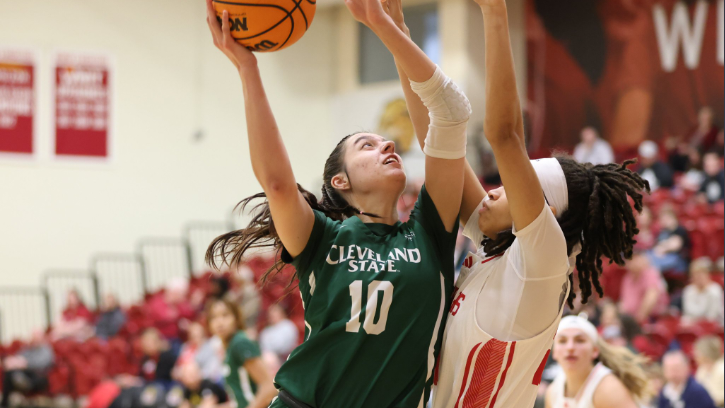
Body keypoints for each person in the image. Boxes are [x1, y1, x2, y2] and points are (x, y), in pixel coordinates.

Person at [203, 0, 470, 405]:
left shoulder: (429, 231)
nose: (388, 144)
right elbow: (276, 183)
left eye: (386, 142)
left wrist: (394, 29)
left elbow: (445, 122)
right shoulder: (321, 237)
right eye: (368, 145)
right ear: (339, 180)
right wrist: (248, 68)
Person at [390, 0, 649, 406]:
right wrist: (398, 34)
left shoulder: (542, 266)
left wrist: (495, 13)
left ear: (544, 211)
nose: (493, 189)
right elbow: (439, 142)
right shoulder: (499, 249)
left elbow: (504, 134)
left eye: (513, 185)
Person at [546, 315, 651, 408]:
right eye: (562, 341)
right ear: (554, 352)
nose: (570, 347)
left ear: (595, 350)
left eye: (579, 340)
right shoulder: (553, 391)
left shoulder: (608, 389)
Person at [205, 298, 275, 408]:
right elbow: (242, 400)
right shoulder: (229, 347)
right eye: (214, 317)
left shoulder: (239, 343)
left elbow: (269, 387)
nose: (219, 322)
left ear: (236, 318)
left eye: (225, 315)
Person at [1, 330, 54, 408]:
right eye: (33, 337)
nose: (34, 340)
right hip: (25, 373)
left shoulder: (46, 350)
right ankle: (6, 401)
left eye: (37, 338)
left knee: (38, 378)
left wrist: (25, 363)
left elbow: (41, 364)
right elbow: (19, 357)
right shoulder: (28, 349)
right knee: (10, 373)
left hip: (38, 375)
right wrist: (12, 362)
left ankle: (24, 383)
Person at [619, 252, 668, 323]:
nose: (632, 262)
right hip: (630, 319)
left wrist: (638, 319)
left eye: (635, 258)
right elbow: (623, 303)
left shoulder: (651, 273)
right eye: (629, 259)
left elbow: (651, 298)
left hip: (653, 319)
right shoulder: (627, 278)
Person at [682, 258, 724, 325]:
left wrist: (698, 319)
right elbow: (688, 312)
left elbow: (712, 315)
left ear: (707, 275)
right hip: (693, 324)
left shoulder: (715, 290)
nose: (699, 277)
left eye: (701, 274)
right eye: (696, 275)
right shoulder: (688, 290)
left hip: (713, 324)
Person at [648, 206, 690, 274]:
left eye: (664, 218)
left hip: (677, 260)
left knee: (652, 265)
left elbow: (675, 245)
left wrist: (661, 249)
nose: (662, 221)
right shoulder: (663, 231)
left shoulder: (679, 230)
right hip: (662, 258)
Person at [693, 336, 724, 407]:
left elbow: (720, 397)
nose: (695, 355)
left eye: (697, 352)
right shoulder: (702, 369)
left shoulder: (721, 369)